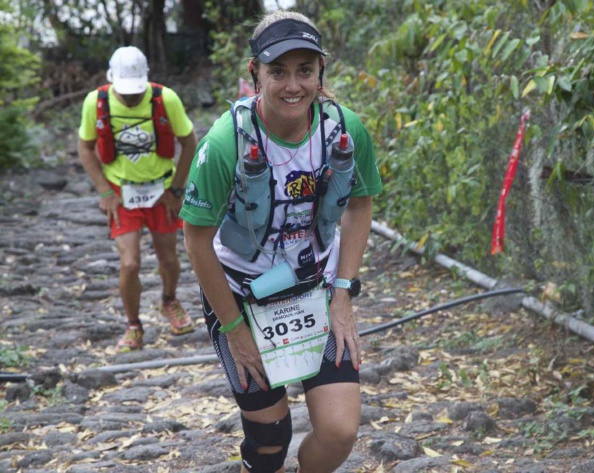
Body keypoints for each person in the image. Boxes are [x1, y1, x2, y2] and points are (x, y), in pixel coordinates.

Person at [180, 10, 382, 473]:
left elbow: (359, 204)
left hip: (317, 285)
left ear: (320, 74)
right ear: (255, 74)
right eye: (278, 71)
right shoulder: (224, 143)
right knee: (270, 439)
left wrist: (344, 291)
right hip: (241, 292)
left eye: (305, 71)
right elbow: (196, 239)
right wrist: (235, 330)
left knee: (338, 432)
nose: (293, 85)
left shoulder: (345, 130)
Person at [78, 46, 198, 352]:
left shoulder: (164, 98)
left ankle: (169, 300)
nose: (131, 98)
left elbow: (189, 142)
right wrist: (105, 191)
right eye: (125, 92)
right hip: (122, 191)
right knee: (129, 263)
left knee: (169, 258)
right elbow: (86, 147)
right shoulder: (97, 102)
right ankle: (133, 325)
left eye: (135, 92)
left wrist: (176, 190)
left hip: (161, 189)